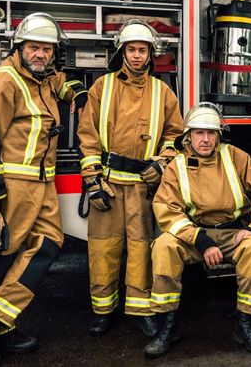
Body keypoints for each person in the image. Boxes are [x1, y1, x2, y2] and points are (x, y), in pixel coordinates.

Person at [0, 12, 87, 364]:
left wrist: (76, 90)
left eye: (47, 50)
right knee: (3, 253)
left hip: (43, 182)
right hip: (16, 183)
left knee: (48, 244)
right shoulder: (5, 81)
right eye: (35, 47)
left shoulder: (43, 78)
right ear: (20, 47)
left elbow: (60, 83)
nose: (41, 55)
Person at [77, 19, 184, 337]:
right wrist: (92, 179)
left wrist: (163, 164)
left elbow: (175, 135)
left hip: (142, 186)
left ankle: (140, 310)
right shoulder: (103, 86)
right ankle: (102, 310)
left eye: (142, 50)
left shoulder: (163, 91)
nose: (137, 56)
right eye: (132, 49)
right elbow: (88, 134)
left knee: (141, 250)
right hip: (108, 185)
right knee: (103, 250)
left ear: (151, 54)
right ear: (122, 52)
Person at [145, 103, 251, 358]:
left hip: (233, 235)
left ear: (219, 135)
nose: (205, 139)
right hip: (194, 236)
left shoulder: (234, 156)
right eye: (198, 133)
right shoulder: (177, 166)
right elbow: (166, 209)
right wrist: (201, 241)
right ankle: (168, 326)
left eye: (210, 133)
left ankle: (246, 324)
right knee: (163, 247)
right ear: (188, 137)